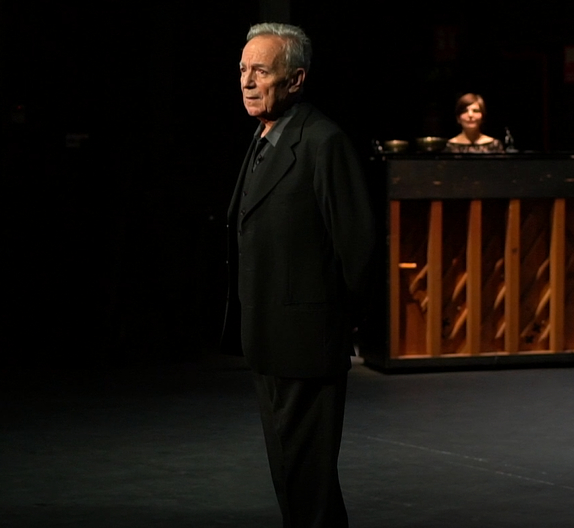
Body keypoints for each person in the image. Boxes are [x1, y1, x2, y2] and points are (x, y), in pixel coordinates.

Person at [222, 22, 377, 528]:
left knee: (307, 479)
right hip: (268, 339)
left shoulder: (322, 142)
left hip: (308, 341)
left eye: (260, 71)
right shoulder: (264, 136)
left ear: (295, 79)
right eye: (243, 70)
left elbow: (357, 246)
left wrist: (350, 327)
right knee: (293, 476)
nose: (246, 81)